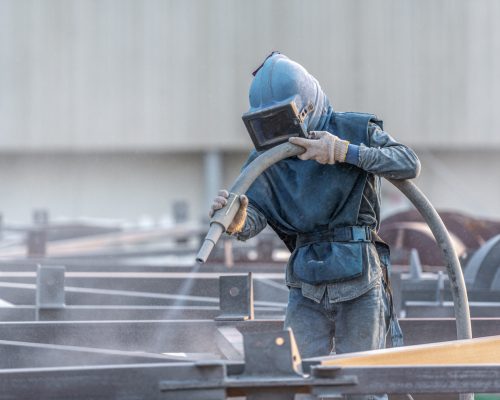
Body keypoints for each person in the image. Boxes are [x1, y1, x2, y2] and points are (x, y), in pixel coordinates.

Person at [209, 52, 420, 398]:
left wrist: (345, 152)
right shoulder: (268, 158)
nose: (279, 134)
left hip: (358, 276)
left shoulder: (353, 130)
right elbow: (256, 216)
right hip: (306, 281)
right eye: (269, 125)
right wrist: (237, 220)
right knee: (301, 382)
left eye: (283, 121)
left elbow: (408, 163)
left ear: (305, 109)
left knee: (363, 384)